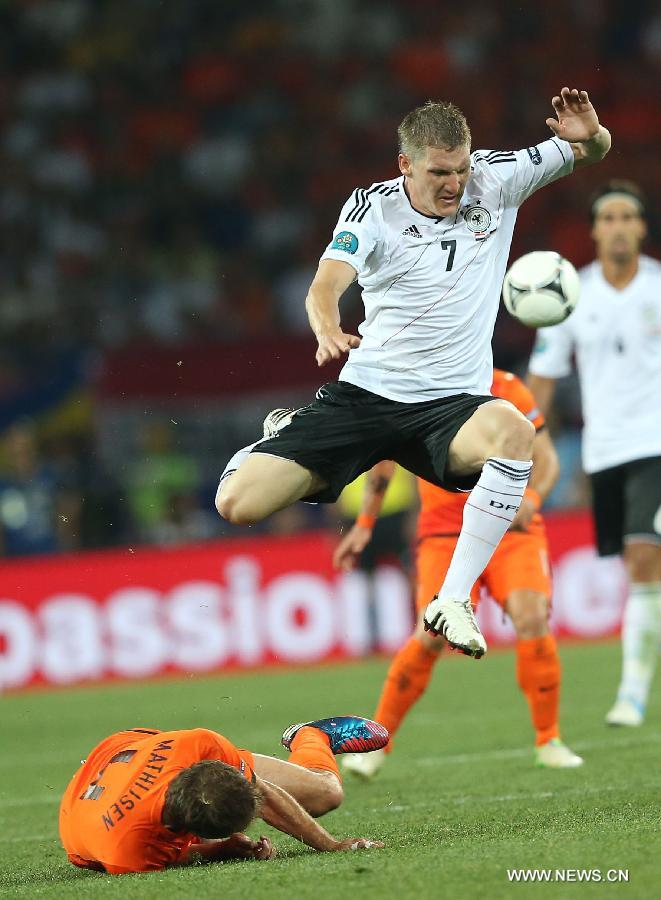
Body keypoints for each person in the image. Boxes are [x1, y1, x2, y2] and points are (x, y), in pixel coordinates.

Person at [216, 88, 610, 659]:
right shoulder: (372, 208)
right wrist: (327, 327)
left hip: (452, 407)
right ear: (406, 165)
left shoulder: (496, 179)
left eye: (462, 167)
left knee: (515, 434)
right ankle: (283, 433)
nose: (455, 183)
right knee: (238, 505)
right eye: (439, 172)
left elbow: (591, 152)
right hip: (368, 396)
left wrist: (592, 134)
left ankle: (452, 599)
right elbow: (326, 284)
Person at [334, 370, 582, 774]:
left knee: (532, 617)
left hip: (509, 529)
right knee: (429, 634)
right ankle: (375, 744)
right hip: (444, 533)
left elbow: (547, 458)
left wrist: (533, 497)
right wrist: (364, 524)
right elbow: (383, 460)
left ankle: (548, 739)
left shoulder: (508, 387)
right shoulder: (420, 383)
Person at [527, 180, 661, 728]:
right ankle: (634, 687)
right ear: (594, 230)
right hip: (605, 453)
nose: (618, 226)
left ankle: (631, 692)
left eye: (628, 216)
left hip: (656, 445)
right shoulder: (569, 295)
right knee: (641, 573)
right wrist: (529, 439)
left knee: (642, 558)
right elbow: (542, 378)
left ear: (642, 228)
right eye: (608, 218)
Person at [59, 715, 388, 874]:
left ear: (206, 766)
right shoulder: (126, 850)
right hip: (91, 808)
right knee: (324, 794)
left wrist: (331, 845)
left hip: (134, 749)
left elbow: (265, 796)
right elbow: (176, 856)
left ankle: (310, 735)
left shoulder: (197, 746)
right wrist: (219, 850)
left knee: (326, 794)